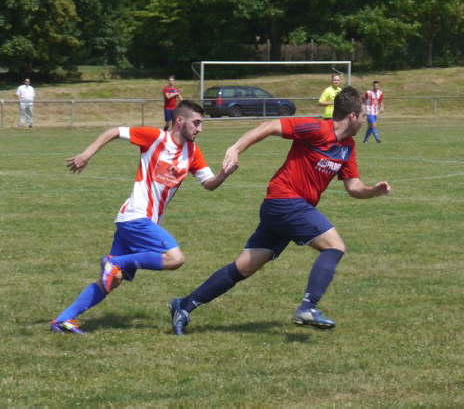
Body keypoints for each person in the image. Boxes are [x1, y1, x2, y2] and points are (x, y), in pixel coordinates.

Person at [169, 86, 391, 335]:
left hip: (288, 209)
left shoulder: (347, 146)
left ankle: (184, 305)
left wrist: (373, 190)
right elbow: (271, 126)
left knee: (244, 267)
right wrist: (236, 148)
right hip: (285, 201)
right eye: (363, 115)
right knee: (335, 246)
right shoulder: (317, 129)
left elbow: (353, 186)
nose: (366, 119)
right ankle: (308, 307)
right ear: (352, 116)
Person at [50, 100, 236, 335]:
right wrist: (86, 154)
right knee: (175, 258)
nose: (200, 129)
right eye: (196, 123)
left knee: (112, 281)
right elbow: (114, 131)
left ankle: (63, 319)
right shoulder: (155, 138)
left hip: (142, 222)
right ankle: (114, 263)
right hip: (136, 217)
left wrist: (224, 174)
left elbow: (208, 184)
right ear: (180, 121)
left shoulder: (193, 152)